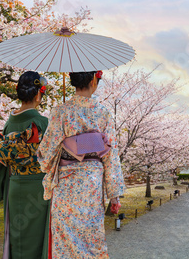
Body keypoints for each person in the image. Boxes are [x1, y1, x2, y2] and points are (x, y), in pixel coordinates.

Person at [38, 70, 125, 259]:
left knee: (65, 240)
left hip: (66, 184)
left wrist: (64, 146)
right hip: (91, 185)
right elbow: (111, 155)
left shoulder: (60, 111)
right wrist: (114, 195)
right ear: (94, 80)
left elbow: (46, 152)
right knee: (91, 238)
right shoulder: (103, 113)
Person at [0, 71, 50, 259]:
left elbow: (1, 161)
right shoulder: (44, 123)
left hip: (15, 184)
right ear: (38, 95)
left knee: (16, 238)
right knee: (39, 239)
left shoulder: (9, 124)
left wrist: (1, 187)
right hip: (39, 188)